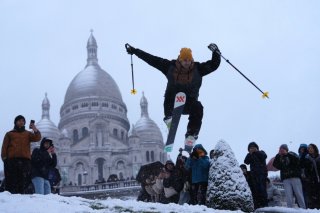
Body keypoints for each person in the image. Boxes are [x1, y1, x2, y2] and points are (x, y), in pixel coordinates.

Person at [125, 43, 221, 151]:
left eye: (189, 60)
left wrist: (216, 52)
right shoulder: (169, 67)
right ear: (180, 60)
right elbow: (152, 59)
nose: (187, 63)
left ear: (191, 60)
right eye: (184, 60)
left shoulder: (198, 69)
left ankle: (191, 134)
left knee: (198, 106)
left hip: (189, 104)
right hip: (173, 102)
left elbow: (213, 65)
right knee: (171, 94)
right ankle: (169, 118)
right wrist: (135, 51)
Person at [1, 115, 41, 194]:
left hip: (25, 161)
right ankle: (11, 198)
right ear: (15, 122)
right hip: (12, 160)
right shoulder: (10, 134)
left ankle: (23, 199)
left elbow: (37, 138)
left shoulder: (28, 134)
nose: (21, 122)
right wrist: (5, 159)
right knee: (12, 181)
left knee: (24, 181)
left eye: (23, 121)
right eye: (19, 120)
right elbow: (4, 147)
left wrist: (34, 128)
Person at [273, 144, 306, 209]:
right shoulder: (279, 157)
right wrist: (277, 156)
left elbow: (297, 160)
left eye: (283, 149)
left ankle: (303, 209)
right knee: (288, 195)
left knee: (298, 193)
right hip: (285, 178)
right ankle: (289, 209)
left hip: (295, 177)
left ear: (286, 149)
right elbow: (275, 165)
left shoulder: (291, 154)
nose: (281, 150)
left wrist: (287, 154)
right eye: (280, 149)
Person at [244, 142, 268, 209]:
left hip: (262, 174)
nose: (252, 149)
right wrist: (250, 154)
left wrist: (256, 152)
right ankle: (257, 206)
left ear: (257, 148)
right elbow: (246, 161)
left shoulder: (261, 152)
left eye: (253, 147)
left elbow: (264, 156)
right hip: (253, 176)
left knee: (262, 190)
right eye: (250, 148)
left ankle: (264, 206)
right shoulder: (249, 155)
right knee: (255, 191)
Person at [303, 143, 320, 209]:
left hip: (318, 179)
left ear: (314, 148)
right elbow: (304, 169)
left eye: (311, 148)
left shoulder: (319, 157)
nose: (309, 149)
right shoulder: (306, 158)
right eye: (308, 148)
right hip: (310, 180)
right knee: (311, 197)